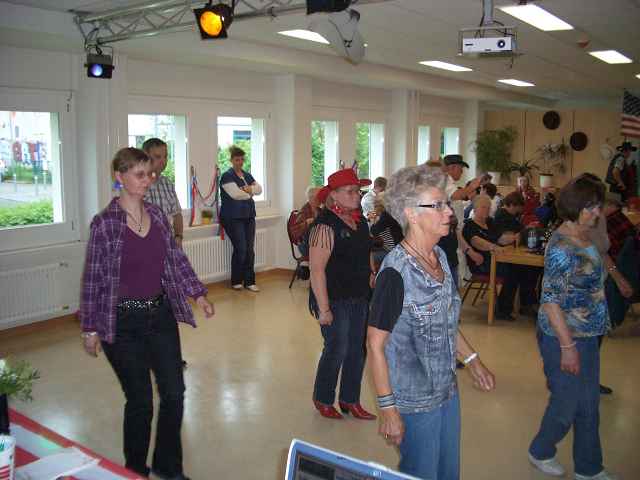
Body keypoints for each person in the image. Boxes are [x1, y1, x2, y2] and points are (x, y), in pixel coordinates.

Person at [79, 147, 214, 480]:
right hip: (122, 324)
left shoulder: (156, 215)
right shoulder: (105, 224)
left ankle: (168, 466)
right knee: (140, 401)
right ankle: (135, 471)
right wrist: (90, 328)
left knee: (174, 393)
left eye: (150, 174)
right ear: (119, 177)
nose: (147, 180)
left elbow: (176, 260)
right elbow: (93, 278)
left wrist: (198, 293)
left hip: (160, 315)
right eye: (139, 174)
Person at [367, 164, 495, 480]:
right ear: (411, 214)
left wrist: (473, 360)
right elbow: (375, 346)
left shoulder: (439, 257)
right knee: (422, 473)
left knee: (448, 471)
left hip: (446, 389)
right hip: (413, 400)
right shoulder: (395, 273)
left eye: (446, 204)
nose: (448, 212)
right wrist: (388, 409)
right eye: (437, 205)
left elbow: (445, 322)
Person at [528, 175, 619, 480]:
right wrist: (568, 347)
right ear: (577, 207)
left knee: (589, 404)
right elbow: (550, 301)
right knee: (566, 403)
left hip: (588, 333)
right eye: (592, 207)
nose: (598, 212)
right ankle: (541, 450)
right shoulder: (561, 246)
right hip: (561, 336)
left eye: (598, 206)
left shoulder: (585, 235)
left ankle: (589, 468)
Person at [309, 169, 376, 421]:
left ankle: (350, 399)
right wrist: (324, 309)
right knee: (337, 348)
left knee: (357, 350)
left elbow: (367, 251)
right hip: (334, 298)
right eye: (350, 191)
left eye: (358, 191)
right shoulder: (324, 226)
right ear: (334, 195)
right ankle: (323, 398)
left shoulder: (360, 221)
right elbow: (316, 270)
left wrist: (371, 272)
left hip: (359, 295)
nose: (356, 195)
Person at [462, 194, 538, 320]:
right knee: (513, 271)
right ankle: (503, 310)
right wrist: (494, 247)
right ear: (474, 208)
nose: (486, 210)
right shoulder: (470, 225)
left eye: (488, 207)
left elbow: (501, 238)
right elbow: (477, 242)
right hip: (481, 263)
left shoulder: (490, 222)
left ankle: (526, 304)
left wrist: (515, 236)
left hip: (497, 258)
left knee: (526, 267)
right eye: (483, 207)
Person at [220, 145, 262, 291]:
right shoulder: (227, 176)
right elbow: (236, 194)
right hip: (233, 217)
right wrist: (250, 192)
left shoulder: (247, 175)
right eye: (237, 160)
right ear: (231, 160)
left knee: (250, 249)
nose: (240, 162)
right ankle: (236, 280)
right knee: (241, 248)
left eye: (242, 159)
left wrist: (249, 189)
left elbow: (259, 189)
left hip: (249, 216)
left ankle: (249, 281)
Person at [441, 155, 485, 288]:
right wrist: (472, 187)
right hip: (448, 235)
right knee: (452, 280)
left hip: (454, 235)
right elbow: (456, 195)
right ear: (452, 168)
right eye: (460, 169)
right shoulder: (445, 182)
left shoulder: (450, 184)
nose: (461, 172)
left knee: (456, 278)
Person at [143, 138, 184, 248]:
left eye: (165, 157)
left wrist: (178, 236)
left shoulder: (168, 184)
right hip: (146, 245)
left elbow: (177, 215)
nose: (163, 161)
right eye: (158, 157)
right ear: (146, 157)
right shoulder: (138, 185)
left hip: (168, 245)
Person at [370, 192, 404, 265]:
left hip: (393, 251)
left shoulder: (386, 215)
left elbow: (373, 231)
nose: (374, 206)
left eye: (375, 204)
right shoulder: (390, 213)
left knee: (368, 257)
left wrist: (373, 220)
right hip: (393, 247)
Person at [290, 186, 322, 257]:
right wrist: (306, 223)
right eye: (318, 198)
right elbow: (294, 231)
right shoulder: (304, 212)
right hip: (305, 244)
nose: (320, 200)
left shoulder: (320, 210)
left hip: (317, 243)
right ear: (311, 198)